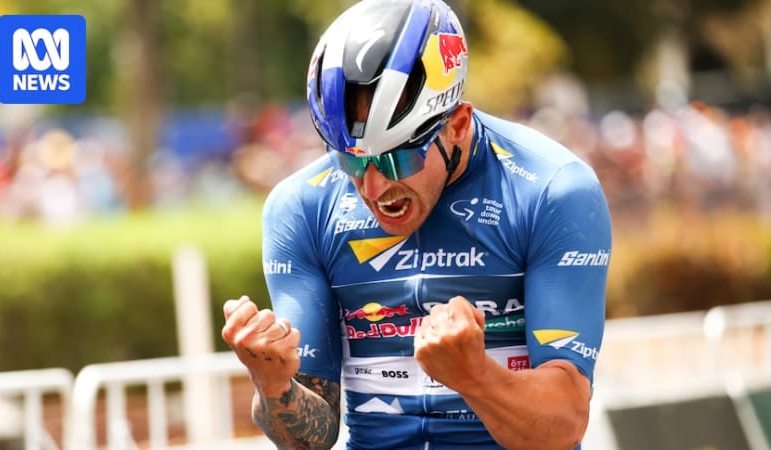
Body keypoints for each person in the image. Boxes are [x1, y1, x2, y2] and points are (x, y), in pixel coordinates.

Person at [221, 0, 612, 448]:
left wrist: (475, 376)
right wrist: (274, 387)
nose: (371, 187)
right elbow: (312, 438)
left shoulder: (552, 189)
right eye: (349, 159)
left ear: (458, 125)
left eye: (396, 157)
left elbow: (564, 424)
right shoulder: (302, 205)